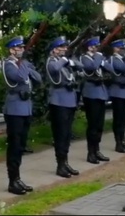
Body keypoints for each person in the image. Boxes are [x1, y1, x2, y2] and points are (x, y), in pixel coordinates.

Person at [2, 36, 41, 195]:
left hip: (26, 108)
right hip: (14, 108)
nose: (21, 50)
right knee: (14, 145)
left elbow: (38, 79)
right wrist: (24, 65)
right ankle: (13, 180)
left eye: (22, 48)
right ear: (11, 50)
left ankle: (18, 178)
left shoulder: (21, 64)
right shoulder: (8, 64)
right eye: (18, 48)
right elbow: (18, 77)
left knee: (21, 146)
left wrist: (26, 65)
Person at [45, 36, 80, 178]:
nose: (65, 49)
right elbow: (54, 70)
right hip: (58, 102)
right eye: (62, 47)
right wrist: (65, 60)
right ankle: (60, 165)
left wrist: (72, 60)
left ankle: (65, 162)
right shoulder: (51, 61)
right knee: (60, 134)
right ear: (54, 50)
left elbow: (81, 66)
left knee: (66, 135)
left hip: (69, 100)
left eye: (66, 47)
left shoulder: (64, 62)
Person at [80, 36, 109, 164]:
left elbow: (109, 68)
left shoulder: (98, 57)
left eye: (97, 46)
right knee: (92, 125)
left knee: (99, 125)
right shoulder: (85, 58)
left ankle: (97, 150)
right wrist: (99, 56)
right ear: (89, 47)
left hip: (101, 93)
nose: (97, 48)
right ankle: (90, 152)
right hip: (91, 94)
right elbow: (92, 66)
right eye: (95, 46)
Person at [104, 39, 125, 153]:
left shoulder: (123, 59)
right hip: (117, 92)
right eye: (121, 48)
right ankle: (118, 143)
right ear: (115, 49)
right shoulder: (114, 59)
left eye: (124, 49)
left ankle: (123, 141)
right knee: (118, 119)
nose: (123, 51)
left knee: (123, 119)